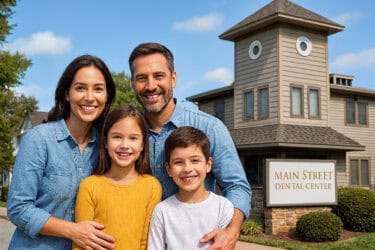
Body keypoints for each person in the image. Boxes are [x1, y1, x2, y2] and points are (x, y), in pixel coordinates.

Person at [128, 42, 251, 249]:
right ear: (133, 83)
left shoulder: (210, 127)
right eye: (141, 78)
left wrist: (231, 231)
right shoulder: (128, 135)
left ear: (173, 78)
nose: (150, 86)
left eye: (159, 76)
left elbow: (237, 187)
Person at [7, 55, 116, 250]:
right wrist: (72, 230)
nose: (90, 97)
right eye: (80, 88)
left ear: (107, 96)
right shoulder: (39, 139)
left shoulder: (107, 145)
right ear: (67, 93)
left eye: (98, 89)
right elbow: (18, 208)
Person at [73, 104, 162, 250]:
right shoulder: (89, 186)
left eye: (133, 138)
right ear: (106, 142)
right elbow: (81, 244)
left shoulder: (152, 186)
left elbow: (147, 243)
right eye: (117, 137)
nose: (124, 145)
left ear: (142, 145)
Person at [147, 126, 234, 249]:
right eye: (178, 162)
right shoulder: (162, 212)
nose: (187, 169)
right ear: (169, 169)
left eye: (195, 160)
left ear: (208, 165)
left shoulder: (223, 208)